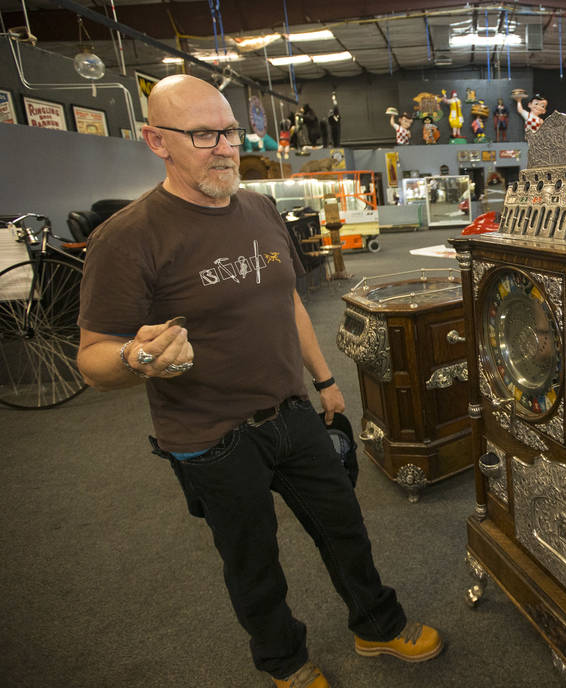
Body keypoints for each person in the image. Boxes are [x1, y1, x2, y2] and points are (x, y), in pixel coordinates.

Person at [75, 75, 442, 688]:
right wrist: (137, 360)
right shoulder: (128, 237)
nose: (223, 147)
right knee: (253, 563)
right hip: (208, 437)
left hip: (291, 412)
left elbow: (290, 303)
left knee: (344, 527)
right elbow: (91, 357)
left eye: (229, 131)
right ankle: (285, 662)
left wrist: (324, 380)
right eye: (201, 135)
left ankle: (377, 626)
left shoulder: (261, 208)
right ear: (155, 141)